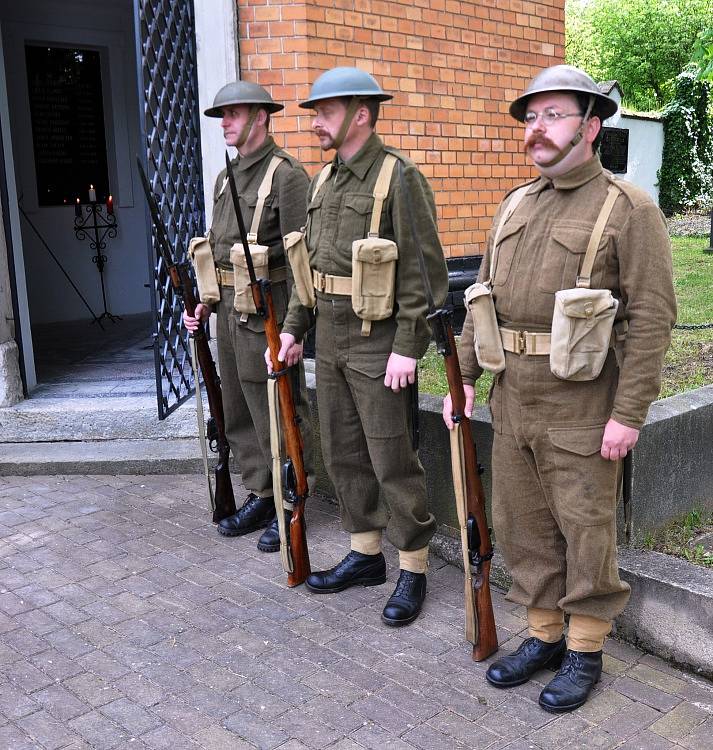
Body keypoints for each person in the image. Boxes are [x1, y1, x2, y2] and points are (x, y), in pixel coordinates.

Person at [443, 64, 676, 712]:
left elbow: (651, 316)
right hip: (512, 398)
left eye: (550, 116)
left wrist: (628, 412)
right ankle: (543, 634)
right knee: (522, 529)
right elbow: (478, 300)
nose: (534, 130)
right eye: (529, 117)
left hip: (580, 404)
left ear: (590, 126)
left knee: (584, 532)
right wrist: (461, 378)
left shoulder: (626, 209)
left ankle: (583, 647)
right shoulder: (514, 203)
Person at [269, 67, 448, 626]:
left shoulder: (399, 178)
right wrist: (296, 329)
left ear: (361, 114)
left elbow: (425, 274)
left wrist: (408, 346)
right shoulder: (324, 182)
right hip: (334, 337)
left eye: (325, 111)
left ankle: (413, 567)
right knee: (343, 449)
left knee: (392, 455)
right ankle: (366, 554)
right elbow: (311, 271)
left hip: (378, 342)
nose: (316, 121)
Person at [183, 81, 314, 551]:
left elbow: (304, 261)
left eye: (234, 113)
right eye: (222, 115)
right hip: (228, 312)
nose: (226, 123)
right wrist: (203, 300)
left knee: (276, 411)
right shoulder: (225, 177)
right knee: (238, 410)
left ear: (261, 116)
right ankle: (262, 492)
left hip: (268, 311)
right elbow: (219, 250)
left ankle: (290, 498)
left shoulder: (288, 176)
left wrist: (296, 327)